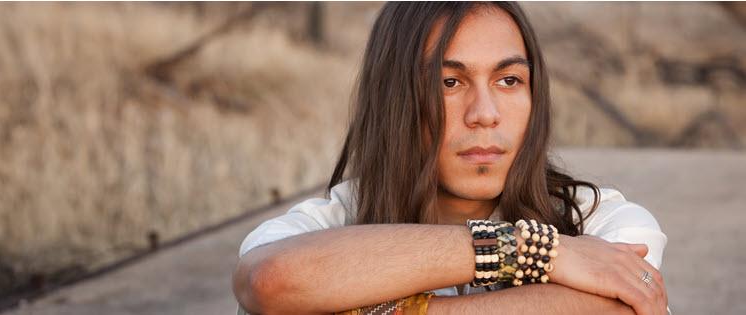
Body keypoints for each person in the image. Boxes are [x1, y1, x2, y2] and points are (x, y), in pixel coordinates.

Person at [232, 2, 669, 315]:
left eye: (509, 79)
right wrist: (533, 251)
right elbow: (270, 282)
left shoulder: (596, 220)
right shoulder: (334, 220)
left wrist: (390, 308)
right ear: (395, 99)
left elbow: (617, 308)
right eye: (449, 82)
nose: (485, 114)